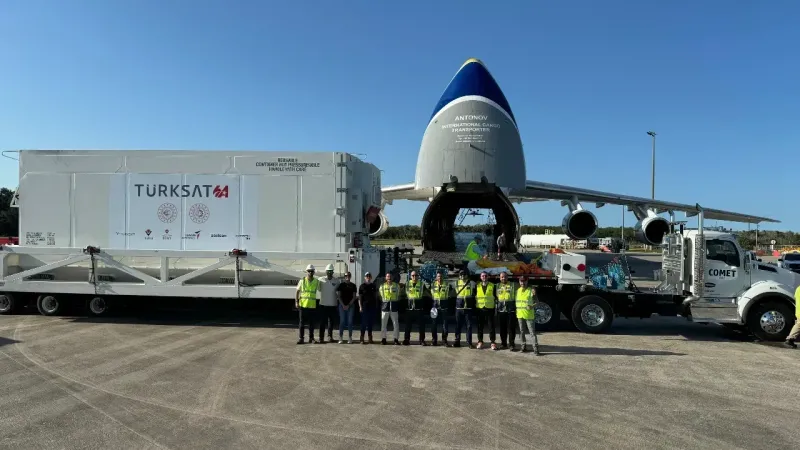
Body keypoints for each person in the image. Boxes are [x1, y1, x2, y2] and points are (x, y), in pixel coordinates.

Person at [295, 264, 320, 344]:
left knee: (311, 323)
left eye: (312, 271)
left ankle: (311, 338)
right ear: (307, 271)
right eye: (309, 271)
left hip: (312, 305)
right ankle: (301, 338)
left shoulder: (316, 281)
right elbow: (297, 291)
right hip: (303, 305)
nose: (310, 272)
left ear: (314, 272)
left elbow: (321, 289)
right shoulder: (302, 281)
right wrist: (296, 302)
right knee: (301, 323)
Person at [402, 270, 429, 345]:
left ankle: (422, 340)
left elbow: (427, 293)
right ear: (410, 276)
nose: (414, 277)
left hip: (419, 308)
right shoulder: (407, 284)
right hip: (409, 308)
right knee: (408, 325)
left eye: (415, 275)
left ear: (418, 276)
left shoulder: (421, 284)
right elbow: (401, 293)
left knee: (421, 325)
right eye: (413, 275)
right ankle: (406, 339)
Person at [515, 275, 539, 354]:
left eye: (524, 281)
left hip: (529, 315)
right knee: (521, 332)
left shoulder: (531, 290)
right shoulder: (518, 291)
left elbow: (537, 302)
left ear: (527, 281)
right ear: (519, 282)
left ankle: (535, 348)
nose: (523, 282)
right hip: (520, 315)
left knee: (532, 332)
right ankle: (523, 346)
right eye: (521, 281)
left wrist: (532, 306)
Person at [318, 264, 340, 343]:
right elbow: (319, 289)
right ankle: (321, 338)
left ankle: (330, 336)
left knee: (331, 322)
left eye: (331, 271)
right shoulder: (321, 280)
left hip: (333, 305)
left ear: (333, 272)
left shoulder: (337, 281)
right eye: (328, 271)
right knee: (322, 322)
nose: (329, 273)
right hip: (323, 304)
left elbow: (339, 292)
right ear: (326, 272)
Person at [475, 271, 497, 350]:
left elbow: (496, 297)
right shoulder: (477, 286)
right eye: (482, 276)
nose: (484, 277)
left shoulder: (492, 286)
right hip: (480, 309)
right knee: (480, 327)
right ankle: (480, 341)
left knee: (491, 327)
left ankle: (493, 342)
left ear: (488, 277)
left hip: (490, 308)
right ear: (480, 277)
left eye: (485, 276)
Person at [453, 270, 475, 348]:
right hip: (459, 308)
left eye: (464, 274)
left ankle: (469, 342)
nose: (462, 276)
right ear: (459, 276)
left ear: (467, 275)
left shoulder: (472, 283)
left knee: (469, 326)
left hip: (468, 308)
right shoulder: (455, 283)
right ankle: (457, 341)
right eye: (461, 274)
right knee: (458, 325)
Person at [495, 272, 516, 350]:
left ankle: (511, 345)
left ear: (507, 277)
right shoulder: (497, 286)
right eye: (502, 277)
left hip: (511, 310)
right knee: (502, 328)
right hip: (501, 310)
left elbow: (525, 284)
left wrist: (533, 288)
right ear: (500, 278)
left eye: (505, 277)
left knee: (511, 328)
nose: (503, 278)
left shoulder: (513, 285)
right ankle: (503, 344)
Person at [379, 272, 401, 345]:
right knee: (383, 324)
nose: (389, 278)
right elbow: (381, 296)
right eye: (388, 276)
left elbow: (397, 295)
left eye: (390, 276)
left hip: (394, 307)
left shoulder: (397, 286)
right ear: (386, 278)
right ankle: (383, 339)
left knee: (395, 324)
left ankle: (396, 339)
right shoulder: (382, 286)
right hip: (385, 307)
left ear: (392, 277)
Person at [430, 271, 451, 346]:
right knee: (434, 324)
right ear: (436, 277)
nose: (440, 278)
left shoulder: (447, 285)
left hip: (444, 306)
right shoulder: (432, 285)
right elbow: (431, 294)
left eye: (441, 276)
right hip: (435, 306)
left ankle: (444, 340)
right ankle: (434, 340)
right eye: (438, 276)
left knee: (445, 324)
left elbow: (449, 294)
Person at [336, 271, 358, 344]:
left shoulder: (353, 285)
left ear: (350, 276)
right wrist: (343, 305)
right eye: (346, 276)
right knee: (342, 321)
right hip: (342, 306)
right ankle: (340, 337)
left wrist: (348, 305)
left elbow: (354, 297)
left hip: (351, 306)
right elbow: (339, 296)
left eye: (348, 276)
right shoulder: (341, 285)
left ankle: (350, 337)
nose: (347, 277)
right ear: (344, 277)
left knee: (350, 322)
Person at [358, 272, 378, 344]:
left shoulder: (374, 286)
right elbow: (360, 298)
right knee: (363, 323)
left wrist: (376, 306)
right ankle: (362, 337)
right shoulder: (362, 286)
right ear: (365, 277)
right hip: (364, 307)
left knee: (370, 323)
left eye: (369, 276)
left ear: (371, 277)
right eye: (367, 276)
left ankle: (370, 337)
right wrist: (360, 307)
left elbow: (376, 296)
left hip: (372, 307)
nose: (368, 277)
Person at [783, 284, 800, 349]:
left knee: (798, 324)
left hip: (798, 311)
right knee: (799, 325)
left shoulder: (798, 288)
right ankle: (790, 339)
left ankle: (790, 339)